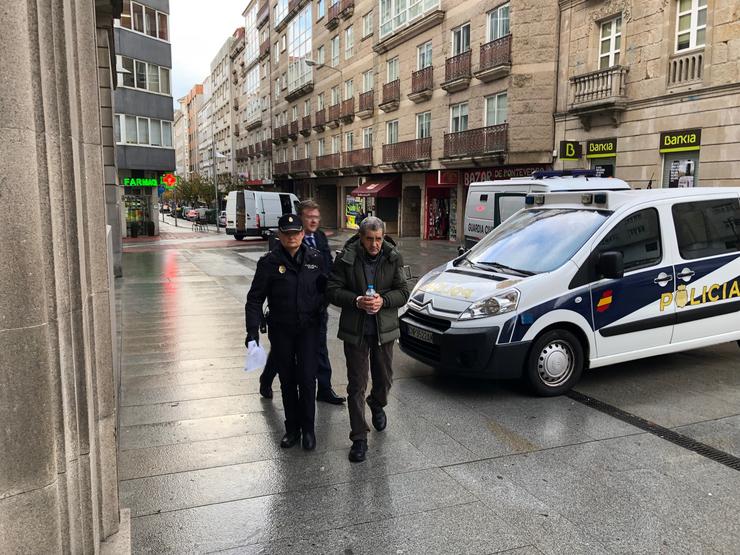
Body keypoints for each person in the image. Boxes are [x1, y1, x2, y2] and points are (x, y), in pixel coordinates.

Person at [326, 217, 409, 462]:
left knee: (384, 379)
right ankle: (359, 437)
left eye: (378, 239)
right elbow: (332, 290)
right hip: (356, 331)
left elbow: (403, 292)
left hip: (384, 331)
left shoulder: (393, 257)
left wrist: (383, 301)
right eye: (370, 239)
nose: (374, 244)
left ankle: (377, 403)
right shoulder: (346, 258)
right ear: (361, 238)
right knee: (356, 385)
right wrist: (356, 301)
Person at [245, 214, 326, 450]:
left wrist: (321, 310)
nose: (292, 237)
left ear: (302, 234)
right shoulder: (269, 262)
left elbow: (326, 289)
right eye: (287, 233)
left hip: (308, 329)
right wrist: (252, 332)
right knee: (288, 380)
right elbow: (254, 299)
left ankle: (308, 429)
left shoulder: (315, 258)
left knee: (308, 380)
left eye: (296, 233)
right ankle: (293, 429)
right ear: (279, 235)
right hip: (281, 329)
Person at [258, 200, 345, 405]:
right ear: (300, 218)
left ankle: (324, 387)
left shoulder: (320, 237)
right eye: (309, 216)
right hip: (291, 310)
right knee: (282, 352)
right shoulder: (288, 240)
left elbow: (328, 267)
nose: (314, 220)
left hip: (317, 305)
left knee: (320, 346)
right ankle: (267, 378)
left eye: (316, 216)